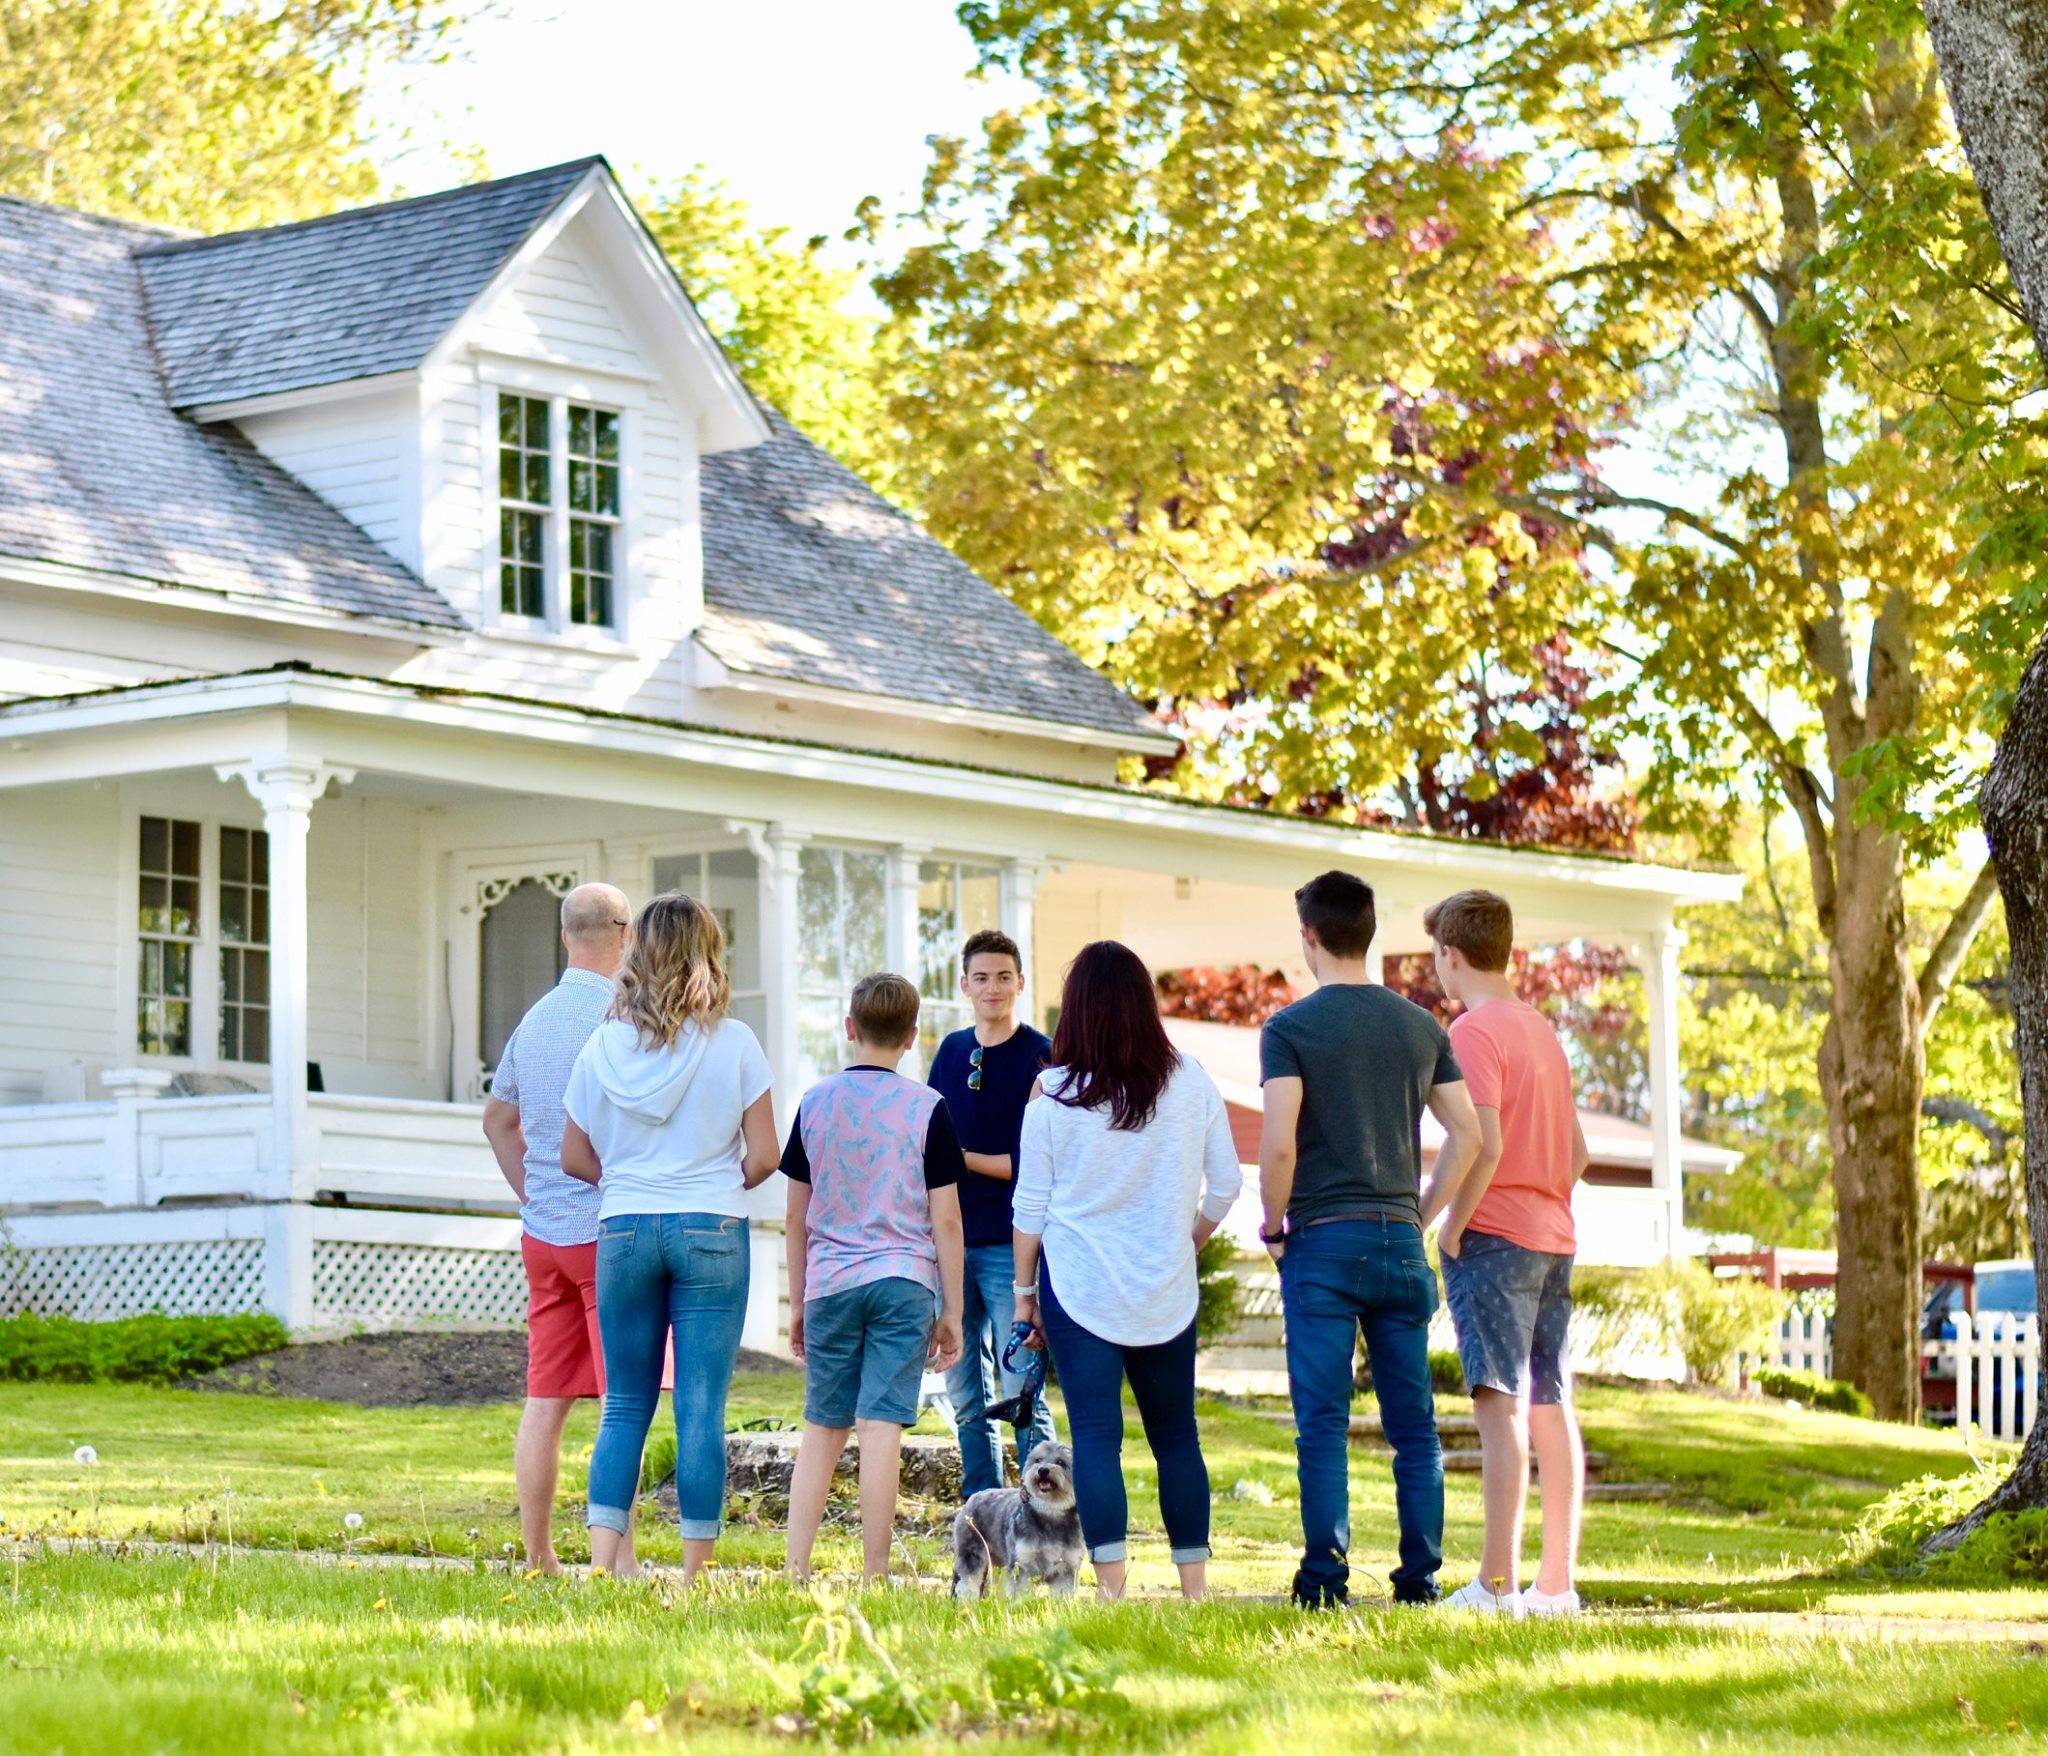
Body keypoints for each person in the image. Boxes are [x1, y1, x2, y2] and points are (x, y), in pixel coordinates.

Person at [1259, 870, 1482, 1609]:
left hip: (1322, 1242)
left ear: (1309, 937)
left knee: (1321, 1422)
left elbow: (1280, 1144)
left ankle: (1325, 1579)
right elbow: (1469, 1134)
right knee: (1413, 1427)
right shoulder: (1422, 1026)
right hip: (1398, 1243)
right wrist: (1420, 1212)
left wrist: (1271, 1222)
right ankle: (1419, 1582)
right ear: (1370, 933)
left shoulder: (1290, 1030)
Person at [560, 890, 779, 1584]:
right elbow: (767, 1154)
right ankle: (691, 1577)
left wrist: (628, 1178)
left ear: (637, 952)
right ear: (707, 954)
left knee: (624, 1403)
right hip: (710, 1225)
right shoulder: (736, 1042)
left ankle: (601, 1567)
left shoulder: (602, 1045)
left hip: (623, 1226)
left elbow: (571, 1155)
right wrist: (715, 1178)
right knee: (701, 1407)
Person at [1013, 939, 1242, 1601]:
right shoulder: (1191, 1079)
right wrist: (1185, 1242)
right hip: (1165, 1288)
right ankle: (1195, 1591)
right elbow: (1225, 1186)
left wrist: (1023, 1297)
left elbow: (1030, 1208)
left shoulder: (1051, 1094)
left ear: (1076, 1011)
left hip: (1078, 1289)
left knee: (1095, 1438)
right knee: (1176, 1436)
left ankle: (1112, 1593)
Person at [1427, 889, 1590, 1617]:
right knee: (1551, 1405)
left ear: (1450, 955)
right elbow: (1579, 1153)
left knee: (1499, 1405)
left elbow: (1481, 1142)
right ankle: (1556, 1587)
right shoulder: (1543, 1032)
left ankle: (1495, 1586)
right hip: (1555, 1238)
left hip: (1495, 1236)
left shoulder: (1471, 1033)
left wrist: (1449, 1222)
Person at [781, 972, 967, 1582]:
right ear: (913, 1037)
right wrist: (953, 1311)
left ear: (849, 1029)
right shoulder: (928, 1110)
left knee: (823, 1426)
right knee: (881, 1424)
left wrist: (800, 1297)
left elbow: (797, 1212)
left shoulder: (814, 1103)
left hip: (831, 1279)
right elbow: (947, 1220)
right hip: (904, 1281)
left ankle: (796, 1568)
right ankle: (875, 1572)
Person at [480, 880, 634, 1576]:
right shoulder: (623, 1018)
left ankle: (539, 1555)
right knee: (619, 1404)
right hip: (604, 1232)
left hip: (542, 1234)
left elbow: (497, 1118)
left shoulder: (534, 1020)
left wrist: (531, 1188)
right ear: (625, 933)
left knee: (545, 1401)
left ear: (564, 935)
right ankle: (619, 1559)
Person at [926, 928, 1057, 1495]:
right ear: (964, 985)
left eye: (1004, 976)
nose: (993, 987)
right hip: (953, 1240)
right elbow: (929, 1143)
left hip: (1012, 1245)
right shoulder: (953, 1051)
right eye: (981, 977)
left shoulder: (1042, 1055)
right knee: (963, 1391)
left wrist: (962, 1159)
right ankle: (981, 1508)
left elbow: (1033, 1162)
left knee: (1020, 1385)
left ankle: (1043, 1505)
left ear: (1021, 983)